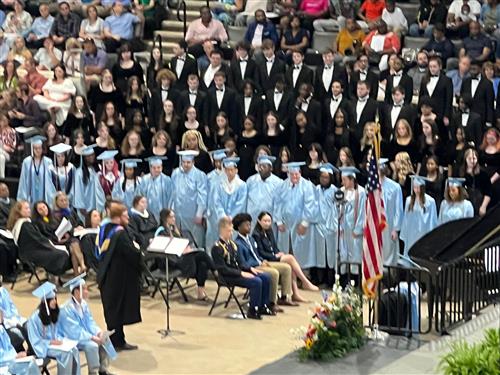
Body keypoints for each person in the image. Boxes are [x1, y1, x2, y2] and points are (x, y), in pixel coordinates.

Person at [96, 202, 141, 350]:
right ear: (117, 217)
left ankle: (118, 340)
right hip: (117, 278)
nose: (128, 217)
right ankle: (117, 342)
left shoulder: (105, 228)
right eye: (125, 215)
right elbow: (132, 253)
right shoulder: (120, 234)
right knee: (117, 310)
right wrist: (138, 249)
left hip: (106, 275)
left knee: (113, 311)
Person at [211, 217, 275, 319]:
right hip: (228, 276)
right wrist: (241, 273)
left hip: (237, 272)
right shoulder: (217, 247)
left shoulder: (232, 244)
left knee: (265, 276)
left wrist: (250, 269)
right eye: (229, 231)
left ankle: (264, 305)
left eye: (232, 230)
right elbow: (222, 269)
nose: (231, 233)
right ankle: (253, 310)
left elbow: (240, 263)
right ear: (222, 230)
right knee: (256, 281)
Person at [234, 213, 296, 313]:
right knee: (274, 273)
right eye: (246, 225)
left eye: (250, 224)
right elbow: (243, 262)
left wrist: (263, 260)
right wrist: (254, 266)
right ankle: (271, 302)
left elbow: (257, 253)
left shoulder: (250, 239)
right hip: (253, 267)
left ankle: (284, 297)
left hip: (260, 262)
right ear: (239, 227)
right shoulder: (238, 243)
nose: (249, 227)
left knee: (286, 268)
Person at [59, 274, 117, 375]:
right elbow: (75, 331)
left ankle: (103, 370)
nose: (87, 291)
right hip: (72, 338)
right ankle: (93, 372)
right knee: (92, 345)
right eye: (84, 289)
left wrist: (98, 333)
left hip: (85, 335)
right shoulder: (66, 309)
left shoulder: (84, 304)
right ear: (77, 291)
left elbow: (90, 322)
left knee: (105, 338)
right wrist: (93, 338)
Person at [155, 209, 216, 301]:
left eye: (174, 216)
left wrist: (187, 248)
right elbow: (165, 249)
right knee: (202, 254)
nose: (174, 219)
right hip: (171, 260)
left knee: (202, 264)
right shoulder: (161, 232)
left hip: (181, 257)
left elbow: (181, 243)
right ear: (165, 218)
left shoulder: (174, 230)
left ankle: (200, 293)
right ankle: (216, 271)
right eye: (171, 217)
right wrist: (181, 250)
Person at [26, 282, 81, 374]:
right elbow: (35, 341)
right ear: (45, 302)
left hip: (55, 343)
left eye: (55, 299)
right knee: (65, 354)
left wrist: (61, 340)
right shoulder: (34, 319)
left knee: (74, 349)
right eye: (52, 299)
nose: (55, 301)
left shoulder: (53, 313)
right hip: (44, 346)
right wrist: (51, 342)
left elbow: (57, 332)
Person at [274, 162, 317, 269]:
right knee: (286, 250)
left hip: (300, 224)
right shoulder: (282, 186)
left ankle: (303, 275)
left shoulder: (307, 186)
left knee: (302, 251)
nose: (294, 176)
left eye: (296, 174)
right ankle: (287, 275)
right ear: (288, 173)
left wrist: (304, 223)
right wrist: (278, 221)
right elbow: (277, 203)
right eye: (292, 174)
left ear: (300, 173)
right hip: (285, 224)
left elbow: (310, 205)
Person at [171, 150, 208, 248]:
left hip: (193, 214)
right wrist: (171, 210)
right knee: (180, 239)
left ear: (193, 162)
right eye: (184, 162)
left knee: (195, 241)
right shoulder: (176, 173)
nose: (186, 165)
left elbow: (202, 195)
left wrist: (199, 213)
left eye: (188, 162)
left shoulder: (200, 175)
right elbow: (173, 193)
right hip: (179, 214)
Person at [209, 157, 248, 248]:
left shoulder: (242, 185)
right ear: (225, 171)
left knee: (233, 242)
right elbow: (216, 201)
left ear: (236, 170)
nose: (230, 172)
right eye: (227, 170)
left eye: (232, 170)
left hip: (234, 220)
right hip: (221, 219)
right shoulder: (219, 184)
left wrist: (231, 217)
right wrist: (223, 215)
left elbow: (241, 203)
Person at [311, 163, 339, 286]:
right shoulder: (315, 189)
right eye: (322, 177)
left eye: (326, 177)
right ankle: (319, 279)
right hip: (318, 226)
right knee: (319, 254)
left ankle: (330, 280)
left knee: (331, 255)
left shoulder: (335, 191)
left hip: (330, 227)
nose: (323, 179)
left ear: (330, 178)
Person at [400, 175, 438, 256]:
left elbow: (433, 219)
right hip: (411, 233)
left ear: (422, 188)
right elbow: (405, 218)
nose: (416, 190)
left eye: (418, 187)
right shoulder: (409, 200)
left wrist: (431, 235)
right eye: (415, 187)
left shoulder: (430, 201)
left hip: (423, 232)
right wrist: (404, 233)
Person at [17, 136, 56, 205]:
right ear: (32, 149)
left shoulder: (48, 162)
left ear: (42, 148)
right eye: (35, 148)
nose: (38, 150)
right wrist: (23, 198)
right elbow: (23, 180)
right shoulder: (27, 162)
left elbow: (51, 181)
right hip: (31, 194)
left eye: (39, 148)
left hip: (44, 194)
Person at [378, 158, 403, 265]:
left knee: (389, 253)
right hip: (376, 225)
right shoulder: (371, 185)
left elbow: (399, 209)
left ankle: (389, 279)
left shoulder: (395, 187)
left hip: (389, 226)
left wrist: (396, 229)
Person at [74, 145, 106, 216]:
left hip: (98, 204)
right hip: (86, 206)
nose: (91, 157)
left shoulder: (98, 169)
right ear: (84, 158)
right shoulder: (79, 172)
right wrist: (81, 206)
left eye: (92, 155)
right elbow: (78, 191)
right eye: (88, 156)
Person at [138, 156, 173, 220]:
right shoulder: (145, 179)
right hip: (148, 212)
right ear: (150, 168)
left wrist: (169, 211)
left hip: (163, 212)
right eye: (154, 168)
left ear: (162, 167)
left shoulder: (167, 180)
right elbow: (140, 195)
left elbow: (171, 197)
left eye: (158, 167)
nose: (156, 170)